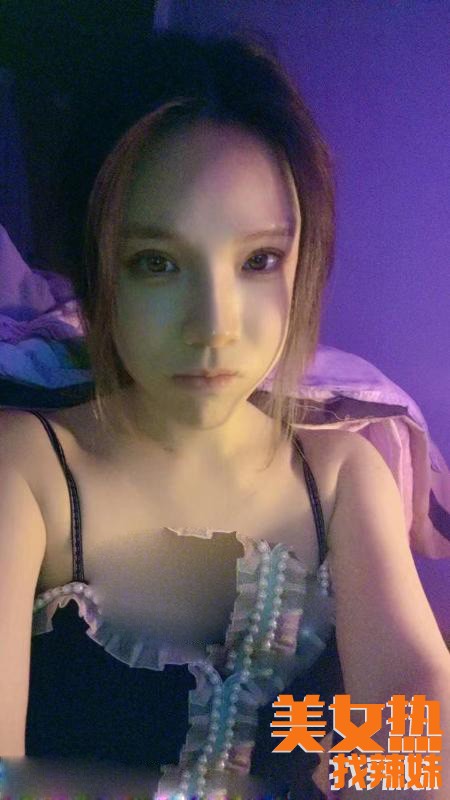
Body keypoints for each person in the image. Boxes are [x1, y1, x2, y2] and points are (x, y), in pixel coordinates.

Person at [1, 31, 449, 800]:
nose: (214, 326)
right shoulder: (28, 471)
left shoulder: (342, 476)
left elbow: (416, 710)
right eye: (156, 264)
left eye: (258, 261)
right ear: (97, 272)